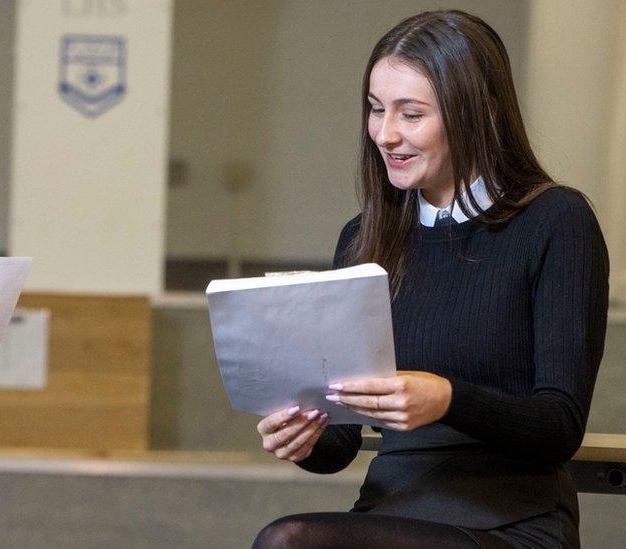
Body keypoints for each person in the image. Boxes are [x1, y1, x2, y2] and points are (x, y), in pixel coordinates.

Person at [253, 10, 608, 549]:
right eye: (376, 110)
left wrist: (446, 399)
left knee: (291, 541)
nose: (386, 134)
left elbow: (559, 425)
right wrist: (304, 438)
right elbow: (344, 441)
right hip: (394, 508)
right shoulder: (363, 237)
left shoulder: (555, 222)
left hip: (510, 520)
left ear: (479, 113)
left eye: (411, 114)